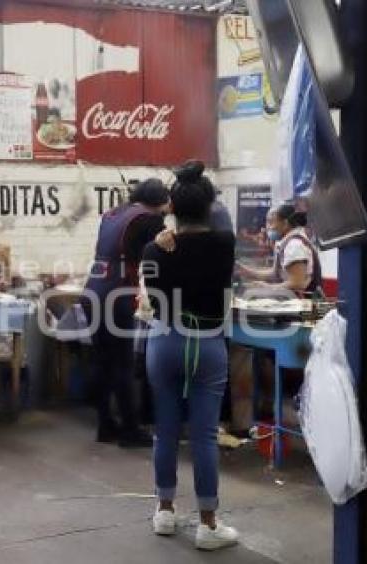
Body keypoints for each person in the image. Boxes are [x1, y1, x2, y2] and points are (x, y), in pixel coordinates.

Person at [141, 162, 239, 550]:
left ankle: (165, 511)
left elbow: (153, 294)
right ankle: (208, 525)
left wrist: (166, 238)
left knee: (164, 431)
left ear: (171, 209)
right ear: (209, 205)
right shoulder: (224, 243)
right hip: (206, 343)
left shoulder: (154, 248)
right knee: (203, 437)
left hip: (163, 342)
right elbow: (214, 220)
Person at [83, 178, 170, 447]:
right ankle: (131, 430)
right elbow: (160, 259)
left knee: (102, 360)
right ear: (160, 200)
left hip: (93, 288)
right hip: (116, 294)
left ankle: (105, 425)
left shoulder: (113, 213)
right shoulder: (149, 219)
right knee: (123, 364)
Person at [237, 203, 323, 297]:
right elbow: (275, 273)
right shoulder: (285, 243)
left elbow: (298, 283)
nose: (267, 227)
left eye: (271, 222)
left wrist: (268, 287)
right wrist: (246, 271)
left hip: (306, 305)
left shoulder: (294, 245)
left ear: (285, 223)